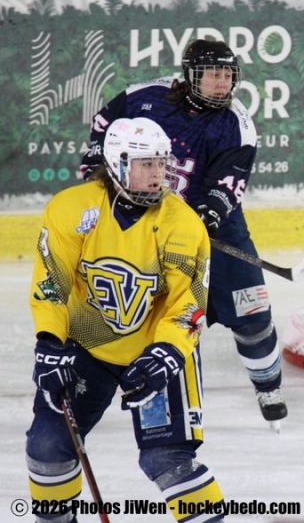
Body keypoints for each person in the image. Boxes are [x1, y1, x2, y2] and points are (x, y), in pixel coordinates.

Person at [80, 39, 287, 429]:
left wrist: (208, 214)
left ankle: (268, 385)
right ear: (191, 75)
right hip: (149, 225)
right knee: (145, 312)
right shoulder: (145, 98)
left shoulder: (236, 124)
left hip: (218, 230)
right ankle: (116, 392)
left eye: (227, 76)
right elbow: (103, 128)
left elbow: (226, 186)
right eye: (212, 75)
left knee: (252, 315)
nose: (222, 84)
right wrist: (95, 164)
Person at [27, 118, 225, 522]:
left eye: (161, 163)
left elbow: (188, 305)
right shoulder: (72, 209)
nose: (157, 174)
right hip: (87, 347)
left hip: (157, 351)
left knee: (166, 459)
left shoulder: (182, 223)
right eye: (146, 164)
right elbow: (52, 282)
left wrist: (167, 354)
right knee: (47, 447)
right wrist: (49, 342)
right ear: (117, 164)